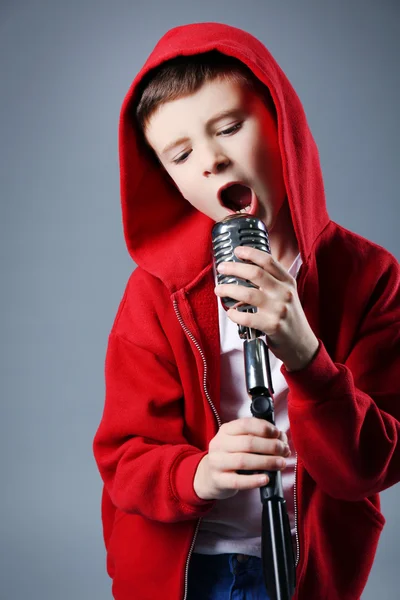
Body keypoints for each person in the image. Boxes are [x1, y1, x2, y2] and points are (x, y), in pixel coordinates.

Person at [92, 22, 400, 600]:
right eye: (181, 155)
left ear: (282, 124)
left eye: (230, 127)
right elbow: (124, 457)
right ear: (172, 180)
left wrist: (308, 356)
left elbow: (374, 463)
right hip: (184, 573)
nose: (210, 160)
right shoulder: (155, 294)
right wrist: (198, 474)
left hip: (306, 572)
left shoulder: (371, 278)